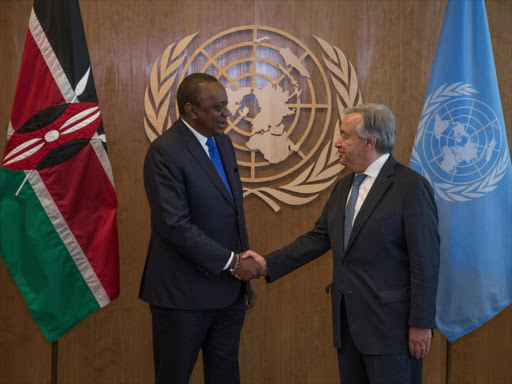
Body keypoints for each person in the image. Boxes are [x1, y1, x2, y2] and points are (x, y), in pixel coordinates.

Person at [244, 104, 440, 384]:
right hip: (348, 329)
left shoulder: (410, 187)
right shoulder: (343, 187)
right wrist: (266, 263)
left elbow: (426, 261)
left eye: (345, 135)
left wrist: (421, 323)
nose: (338, 142)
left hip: (391, 330)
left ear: (369, 141)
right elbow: (318, 238)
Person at [139, 73, 265, 384]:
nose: (227, 114)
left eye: (226, 106)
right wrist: (234, 263)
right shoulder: (164, 151)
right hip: (182, 295)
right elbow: (175, 225)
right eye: (218, 108)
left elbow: (235, 214)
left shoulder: (222, 143)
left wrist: (242, 281)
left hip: (227, 293)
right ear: (191, 110)